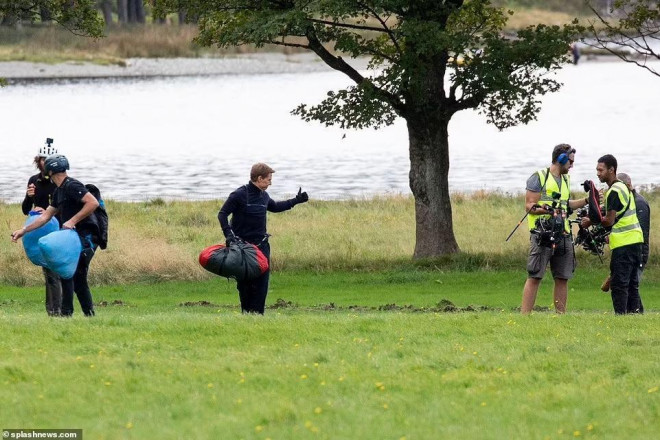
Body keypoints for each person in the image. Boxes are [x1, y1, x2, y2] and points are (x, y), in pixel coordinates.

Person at [12, 154, 100, 317]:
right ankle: (77, 315)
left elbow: (92, 202)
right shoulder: (60, 191)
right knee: (71, 276)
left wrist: (72, 220)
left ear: (51, 171)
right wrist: (23, 230)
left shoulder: (72, 185)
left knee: (73, 275)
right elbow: (46, 216)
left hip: (86, 238)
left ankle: (73, 314)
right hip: (72, 238)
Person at [218, 163, 309, 314]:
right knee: (245, 285)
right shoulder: (239, 195)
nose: (270, 182)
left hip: (262, 247)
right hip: (242, 249)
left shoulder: (264, 195)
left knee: (262, 284)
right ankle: (246, 314)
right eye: (268, 179)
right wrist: (229, 235)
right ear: (259, 178)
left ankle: (259, 316)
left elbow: (275, 207)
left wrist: (296, 201)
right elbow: (222, 214)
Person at [521, 144, 589, 314]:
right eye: (570, 162)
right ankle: (524, 317)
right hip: (543, 234)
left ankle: (561, 316)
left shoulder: (565, 179)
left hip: (564, 234)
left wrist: (588, 200)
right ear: (561, 159)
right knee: (535, 275)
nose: (572, 165)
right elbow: (529, 206)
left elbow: (567, 205)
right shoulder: (539, 177)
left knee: (562, 277)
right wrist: (548, 210)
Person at [581, 155, 644, 314]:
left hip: (624, 244)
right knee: (632, 284)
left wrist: (591, 222)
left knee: (619, 284)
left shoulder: (614, 191)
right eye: (597, 170)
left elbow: (609, 221)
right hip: (636, 240)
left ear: (611, 170)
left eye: (601, 170)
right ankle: (635, 315)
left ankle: (621, 317)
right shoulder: (623, 186)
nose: (598, 173)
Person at [21, 140, 62, 316]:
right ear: (38, 161)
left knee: (54, 272)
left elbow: (65, 207)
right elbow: (25, 210)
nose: (45, 162)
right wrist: (30, 199)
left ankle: (57, 311)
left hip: (57, 230)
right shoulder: (33, 181)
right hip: (40, 230)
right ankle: (52, 311)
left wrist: (49, 212)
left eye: (49, 159)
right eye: (43, 159)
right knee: (47, 271)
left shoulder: (60, 181)